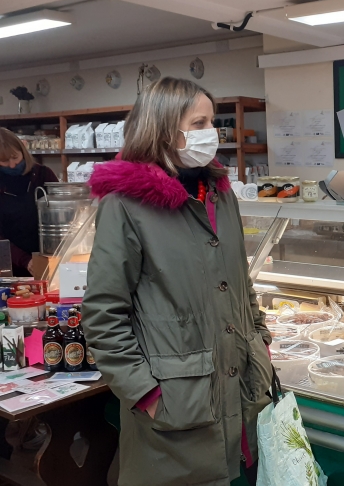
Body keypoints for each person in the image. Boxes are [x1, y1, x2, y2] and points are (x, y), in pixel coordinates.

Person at [82, 78, 273, 486]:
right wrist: (145, 394)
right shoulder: (126, 206)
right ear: (164, 129)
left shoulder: (221, 194)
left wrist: (260, 338)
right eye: (199, 122)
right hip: (176, 404)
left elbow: (240, 280)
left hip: (236, 385)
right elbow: (103, 314)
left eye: (212, 122)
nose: (212, 133)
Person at [0, 128, 58, 277]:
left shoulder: (43, 174)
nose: (12, 165)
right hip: (8, 265)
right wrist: (25, 260)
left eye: (15, 157)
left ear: (23, 150)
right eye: (4, 161)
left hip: (47, 258)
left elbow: (57, 219)